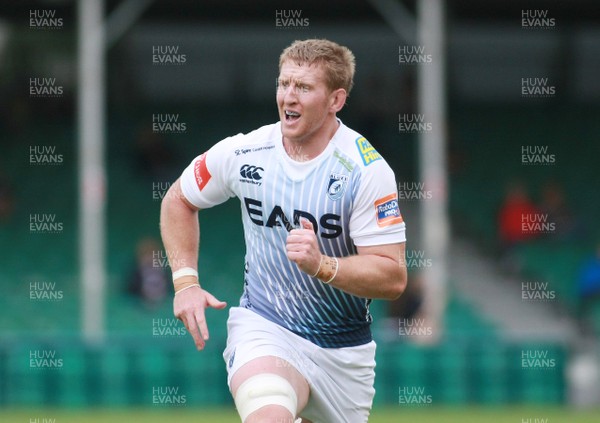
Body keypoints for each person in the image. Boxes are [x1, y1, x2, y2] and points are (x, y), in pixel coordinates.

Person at [160, 39, 407, 422]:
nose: (288, 97)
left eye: (304, 87)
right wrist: (185, 282)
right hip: (265, 326)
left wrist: (323, 265)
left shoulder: (366, 170)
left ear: (335, 100)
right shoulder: (245, 153)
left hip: (343, 356)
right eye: (284, 84)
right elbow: (178, 199)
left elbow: (392, 276)